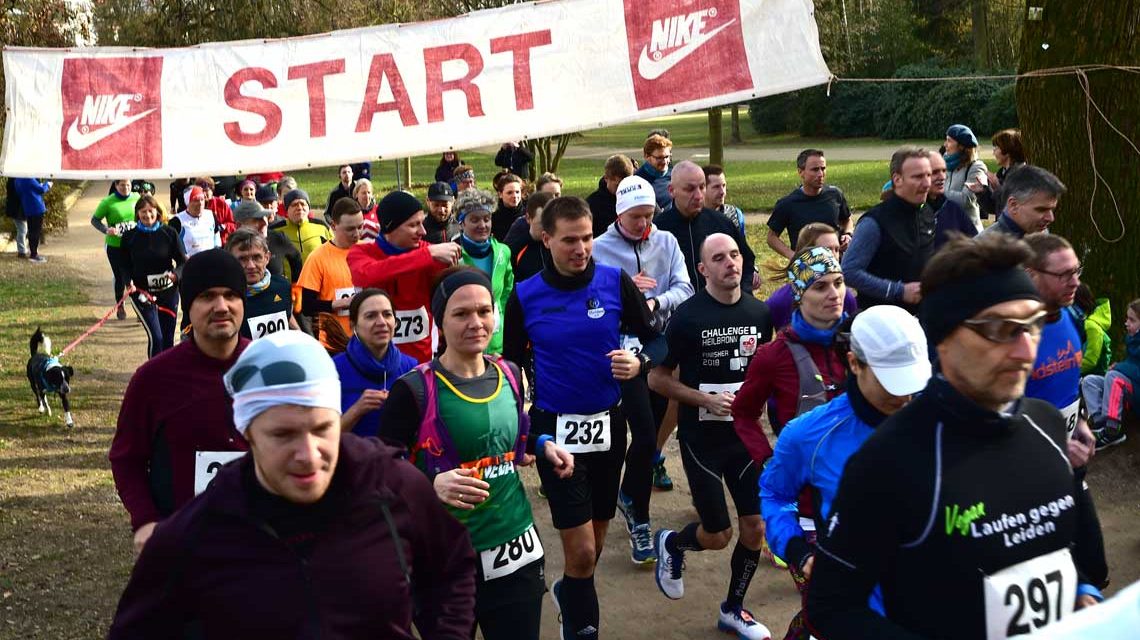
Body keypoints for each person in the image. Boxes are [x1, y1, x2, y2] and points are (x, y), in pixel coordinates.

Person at [806, 232, 1103, 640]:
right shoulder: (887, 461)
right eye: (999, 329)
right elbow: (831, 607)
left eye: (1032, 326)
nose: (1025, 352)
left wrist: (1083, 594)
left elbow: (1059, 552)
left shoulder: (1046, 424)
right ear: (944, 341)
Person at [108, 331, 477, 639]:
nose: (308, 454)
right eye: (283, 435)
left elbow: (452, 567)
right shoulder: (198, 531)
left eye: (322, 429)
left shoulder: (392, 486)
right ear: (248, 435)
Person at [382, 268, 574, 639]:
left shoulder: (511, 373)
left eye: (484, 311)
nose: (476, 323)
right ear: (440, 320)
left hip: (514, 547)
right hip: (444, 560)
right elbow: (381, 473)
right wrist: (430, 483)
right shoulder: (413, 390)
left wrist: (541, 444)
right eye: (461, 314)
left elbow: (504, 435)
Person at [503, 196, 657, 640]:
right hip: (556, 432)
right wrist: (521, 429)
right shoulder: (525, 295)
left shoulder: (614, 281)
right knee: (584, 552)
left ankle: (570, 592)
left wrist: (639, 362)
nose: (581, 248)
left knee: (595, 543)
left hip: (608, 426)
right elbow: (511, 367)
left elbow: (656, 340)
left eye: (587, 238)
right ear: (546, 239)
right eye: (570, 240)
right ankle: (581, 628)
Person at [761, 305, 931, 640]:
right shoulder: (808, 435)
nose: (906, 395)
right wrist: (797, 550)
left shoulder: (939, 418)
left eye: (912, 379)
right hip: (854, 609)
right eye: (892, 382)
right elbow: (775, 495)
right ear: (854, 363)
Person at [648, 233, 774, 640]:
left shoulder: (759, 313)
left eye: (735, 255)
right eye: (718, 258)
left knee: (755, 527)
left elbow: (763, 371)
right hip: (701, 439)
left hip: (744, 437)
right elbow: (657, 379)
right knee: (718, 535)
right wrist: (705, 398)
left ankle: (733, 609)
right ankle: (674, 544)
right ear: (702, 269)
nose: (730, 263)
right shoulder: (687, 318)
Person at [109, 249, 250, 554]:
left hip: (258, 541)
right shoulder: (153, 378)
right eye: (207, 297)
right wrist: (146, 521)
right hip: (182, 542)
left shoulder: (271, 368)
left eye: (230, 295)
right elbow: (126, 458)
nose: (221, 306)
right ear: (188, 306)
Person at [593, 175, 694, 562]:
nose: (644, 224)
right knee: (642, 431)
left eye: (649, 215)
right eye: (636, 216)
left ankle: (629, 494)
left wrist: (653, 302)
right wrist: (624, 293)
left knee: (649, 439)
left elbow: (685, 287)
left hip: (660, 346)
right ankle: (639, 516)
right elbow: (588, 296)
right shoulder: (600, 248)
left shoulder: (666, 242)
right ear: (620, 213)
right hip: (621, 351)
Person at [732, 246, 849, 462]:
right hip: (805, 478)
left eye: (838, 283)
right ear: (799, 295)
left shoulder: (861, 341)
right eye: (820, 287)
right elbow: (743, 413)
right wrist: (767, 460)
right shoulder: (774, 356)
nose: (834, 294)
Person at [348, 190, 462, 363]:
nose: (423, 231)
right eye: (413, 225)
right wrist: (426, 255)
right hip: (373, 361)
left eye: (422, 223)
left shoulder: (431, 253)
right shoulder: (361, 252)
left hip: (420, 362)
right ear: (390, 227)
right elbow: (366, 276)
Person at [841, 146, 934, 313]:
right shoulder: (874, 222)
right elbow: (849, 271)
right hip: (882, 319)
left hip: (923, 317)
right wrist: (898, 291)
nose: (927, 183)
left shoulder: (926, 212)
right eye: (918, 177)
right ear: (897, 180)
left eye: (928, 175)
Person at [654, 160, 757, 292]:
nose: (698, 196)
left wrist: (741, 293)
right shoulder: (658, 229)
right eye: (690, 189)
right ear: (671, 190)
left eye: (702, 187)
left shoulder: (722, 223)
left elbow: (747, 260)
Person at [334, 288, 416, 437]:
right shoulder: (334, 370)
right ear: (353, 325)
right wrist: (357, 409)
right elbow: (321, 436)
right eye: (371, 316)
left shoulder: (411, 368)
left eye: (387, 314)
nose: (381, 322)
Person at [121, 195, 186, 358]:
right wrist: (128, 282)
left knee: (168, 338)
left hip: (168, 293)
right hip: (142, 293)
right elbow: (124, 265)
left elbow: (182, 261)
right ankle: (153, 371)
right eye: (143, 212)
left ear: (157, 212)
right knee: (157, 337)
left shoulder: (169, 233)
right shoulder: (129, 237)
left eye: (151, 211)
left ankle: (167, 371)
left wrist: (176, 275)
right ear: (137, 214)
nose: (147, 215)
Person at [298, 197, 364, 350]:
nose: (356, 233)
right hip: (334, 344)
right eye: (350, 229)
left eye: (360, 227)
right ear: (333, 226)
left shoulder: (366, 251)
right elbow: (307, 306)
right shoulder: (317, 257)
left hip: (366, 340)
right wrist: (338, 304)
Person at [454, 189, 514, 354]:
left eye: (487, 219)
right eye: (474, 220)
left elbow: (507, 291)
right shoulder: (453, 256)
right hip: (463, 343)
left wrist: (499, 315)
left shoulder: (503, 252)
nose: (482, 225)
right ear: (462, 223)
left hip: (497, 344)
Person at [766, 224, 858, 329]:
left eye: (837, 249)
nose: (833, 255)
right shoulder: (779, 302)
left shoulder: (846, 298)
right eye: (826, 249)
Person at [766, 149, 853, 260]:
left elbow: (847, 220)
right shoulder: (787, 204)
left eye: (823, 169)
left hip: (836, 262)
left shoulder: (835, 194)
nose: (820, 174)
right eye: (815, 170)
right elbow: (772, 238)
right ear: (800, 172)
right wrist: (792, 256)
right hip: (806, 265)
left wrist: (848, 234)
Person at [1082, 298, 1140, 449]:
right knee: (1089, 381)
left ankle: (1113, 430)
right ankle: (1099, 421)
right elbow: (1132, 363)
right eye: (1127, 318)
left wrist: (1120, 367)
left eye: (1132, 320)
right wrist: (1119, 366)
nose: (1126, 323)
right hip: (1132, 386)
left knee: (1114, 378)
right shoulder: (1133, 340)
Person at [226, 228, 298, 340]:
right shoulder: (224, 297)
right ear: (230, 261)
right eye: (242, 259)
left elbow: (288, 317)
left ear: (267, 258)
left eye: (256, 257)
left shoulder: (282, 286)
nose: (251, 266)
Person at [91, 179, 140, 320]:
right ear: (116, 185)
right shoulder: (107, 202)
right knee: (120, 277)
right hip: (115, 245)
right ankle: (120, 305)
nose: (126, 188)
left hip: (134, 244)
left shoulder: (137, 197)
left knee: (136, 276)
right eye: (122, 185)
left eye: (128, 185)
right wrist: (107, 230)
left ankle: (139, 309)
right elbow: (95, 220)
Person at [979, 165, 1066, 238]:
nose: (1051, 218)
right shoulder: (981, 250)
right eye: (1041, 210)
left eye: (1052, 209)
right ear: (1013, 205)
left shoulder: (1040, 233)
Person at [233, 200, 301, 282]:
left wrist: (295, 285)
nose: (264, 223)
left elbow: (296, 258)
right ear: (239, 225)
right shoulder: (232, 247)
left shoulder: (277, 238)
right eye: (257, 219)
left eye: (265, 217)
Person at [927, 150, 978, 249]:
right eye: (935, 172)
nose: (942, 177)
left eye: (944, 171)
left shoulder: (953, 209)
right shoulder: (910, 211)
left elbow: (975, 245)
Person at [941, 124, 988, 232]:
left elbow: (965, 200)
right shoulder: (945, 164)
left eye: (949, 141)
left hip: (968, 231)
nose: (945, 144)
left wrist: (939, 192)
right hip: (947, 229)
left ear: (961, 146)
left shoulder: (976, 167)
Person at [269, 188, 332, 264]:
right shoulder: (275, 230)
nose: (299, 208)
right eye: (294, 205)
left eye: (303, 204)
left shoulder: (322, 226)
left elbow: (334, 251)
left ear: (308, 208)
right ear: (287, 210)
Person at [978, 128, 1027, 218]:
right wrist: (981, 192)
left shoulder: (1020, 175)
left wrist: (997, 187)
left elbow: (1013, 208)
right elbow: (994, 208)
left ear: (1007, 150)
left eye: (996, 148)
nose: (993, 153)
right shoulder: (1002, 174)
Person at [506, 191, 554, 284]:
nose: (548, 229)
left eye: (552, 223)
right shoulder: (515, 249)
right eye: (542, 223)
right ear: (528, 218)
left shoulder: (560, 244)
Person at [586, 154, 635, 238]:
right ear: (606, 178)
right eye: (617, 185)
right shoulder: (592, 205)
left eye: (625, 185)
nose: (621, 190)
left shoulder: (638, 198)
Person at [169, 186, 222, 258]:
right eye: (196, 200)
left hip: (211, 259)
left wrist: (217, 251)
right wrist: (183, 257)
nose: (200, 203)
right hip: (189, 262)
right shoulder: (177, 221)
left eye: (202, 199)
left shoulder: (211, 215)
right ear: (188, 202)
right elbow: (172, 246)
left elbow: (216, 236)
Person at [1073, 284, 1112, 377]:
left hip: (1090, 378)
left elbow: (1090, 361)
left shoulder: (1091, 326)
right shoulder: (1087, 322)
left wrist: (1068, 371)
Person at [11, 177, 51, 263]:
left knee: (31, 231)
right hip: (37, 207)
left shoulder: (17, 180)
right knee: (36, 232)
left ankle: (33, 253)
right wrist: (47, 184)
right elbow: (41, 190)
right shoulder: (29, 179)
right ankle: (34, 254)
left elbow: (20, 192)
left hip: (27, 208)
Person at [703, 165, 745, 237]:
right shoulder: (692, 218)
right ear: (703, 188)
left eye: (724, 185)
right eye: (716, 187)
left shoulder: (735, 215)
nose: (722, 192)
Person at [634, 134, 673, 209]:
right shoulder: (637, 181)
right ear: (646, 156)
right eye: (659, 158)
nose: (664, 161)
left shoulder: (674, 175)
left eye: (667, 157)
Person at [194, 177, 237, 244]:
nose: (204, 194)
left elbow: (233, 225)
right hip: (202, 242)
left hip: (222, 243)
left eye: (206, 190)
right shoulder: (195, 204)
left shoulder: (221, 203)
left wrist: (224, 226)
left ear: (212, 190)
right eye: (202, 191)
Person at [491, 172, 525, 243]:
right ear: (500, 194)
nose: (515, 196)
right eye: (509, 193)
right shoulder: (493, 218)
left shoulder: (528, 215)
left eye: (517, 192)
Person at [5, 176, 27, 258]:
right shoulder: (15, 180)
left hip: (17, 209)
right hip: (17, 209)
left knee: (22, 229)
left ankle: (22, 250)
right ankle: (22, 251)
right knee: (22, 229)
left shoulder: (13, 180)